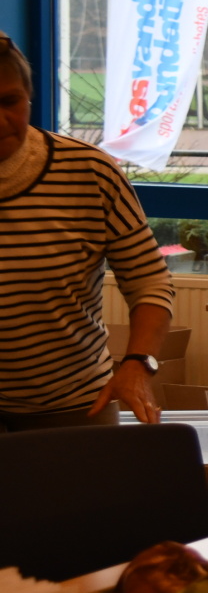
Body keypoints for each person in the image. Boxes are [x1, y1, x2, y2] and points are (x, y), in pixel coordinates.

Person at [0, 33, 173, 431]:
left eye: (9, 101)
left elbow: (149, 282)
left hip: (76, 405)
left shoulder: (88, 171)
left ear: (29, 96)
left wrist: (138, 364)